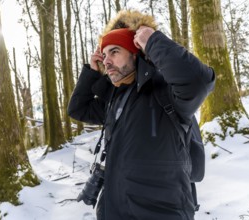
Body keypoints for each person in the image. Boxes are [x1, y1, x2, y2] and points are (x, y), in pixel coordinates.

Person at [68, 10, 215, 220]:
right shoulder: (114, 97)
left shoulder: (165, 89)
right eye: (104, 54)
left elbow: (199, 81)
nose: (106, 60)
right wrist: (91, 72)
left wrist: (154, 42)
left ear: (135, 52)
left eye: (115, 51)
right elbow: (78, 109)